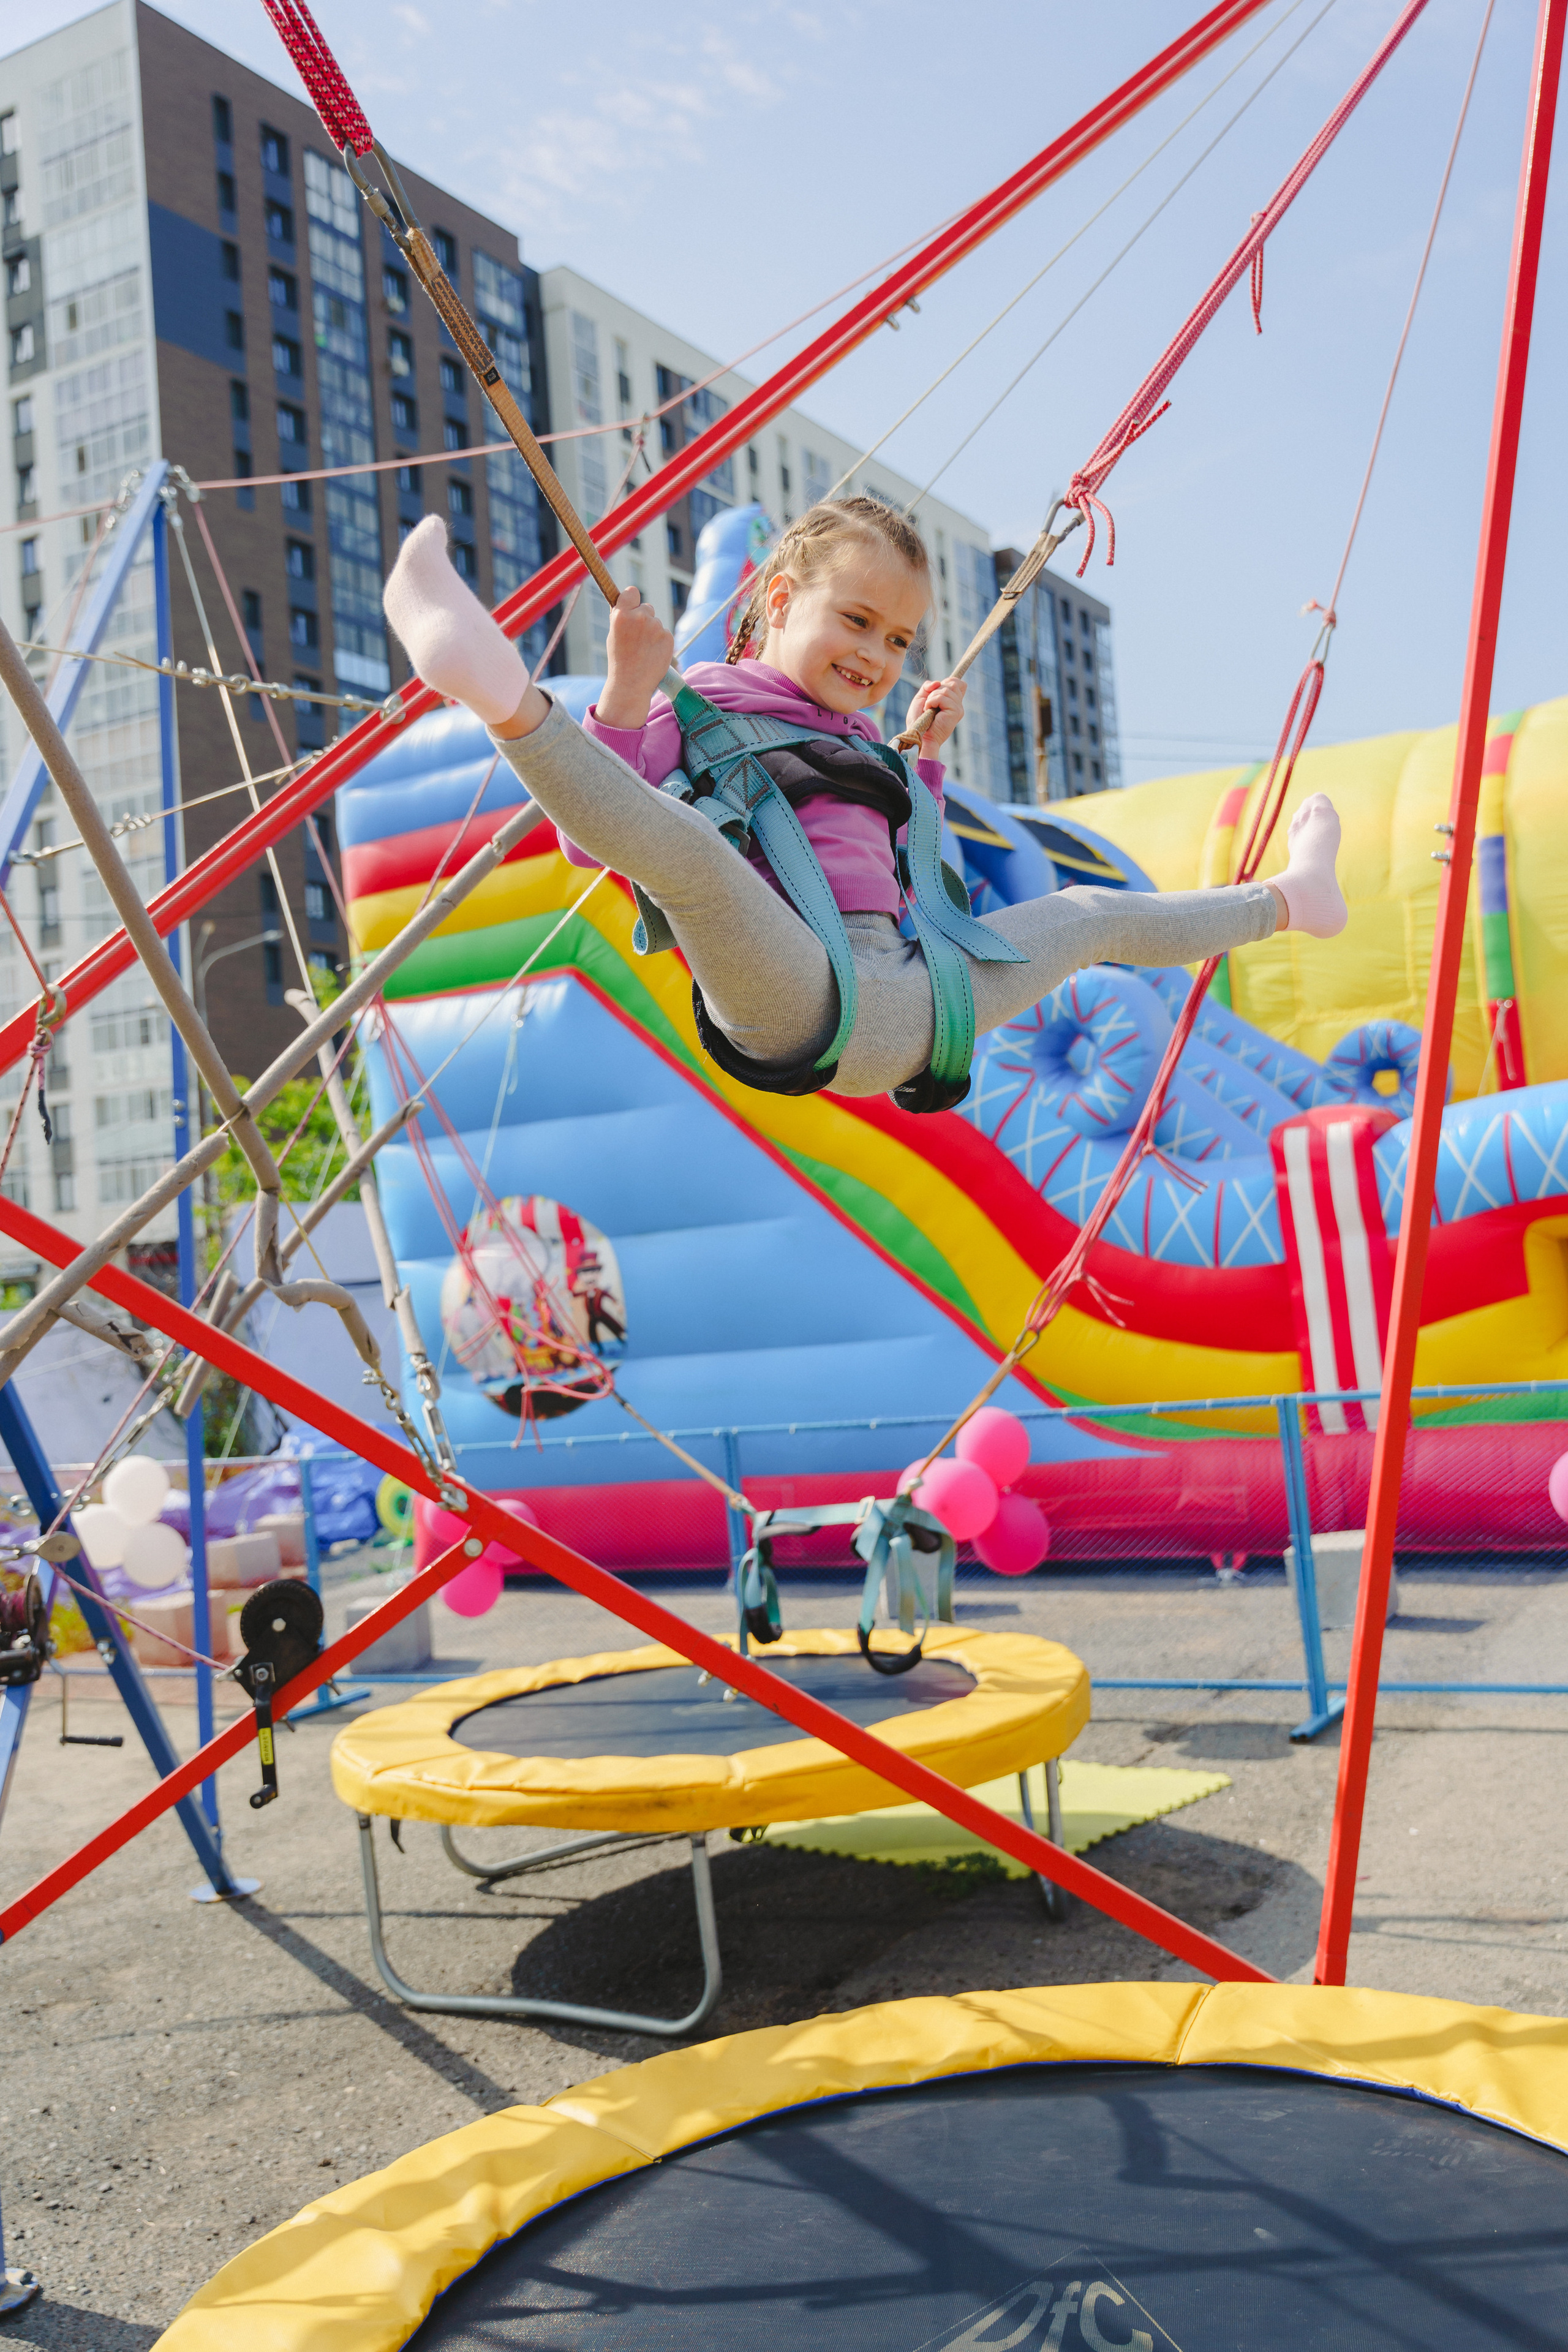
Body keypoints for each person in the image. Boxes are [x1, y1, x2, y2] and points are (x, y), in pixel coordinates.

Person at [383, 499, 1346, 1103]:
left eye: (897, 640)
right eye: (855, 621)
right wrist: (629, 690)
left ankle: (1295, 900)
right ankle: (493, 687)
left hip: (923, 1006)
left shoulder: (860, 745)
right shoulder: (706, 698)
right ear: (778, 599)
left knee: (1090, 916)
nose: (876, 656)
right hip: (793, 1000)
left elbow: (923, 879)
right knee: (690, 857)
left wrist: (918, 765)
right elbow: (602, 846)